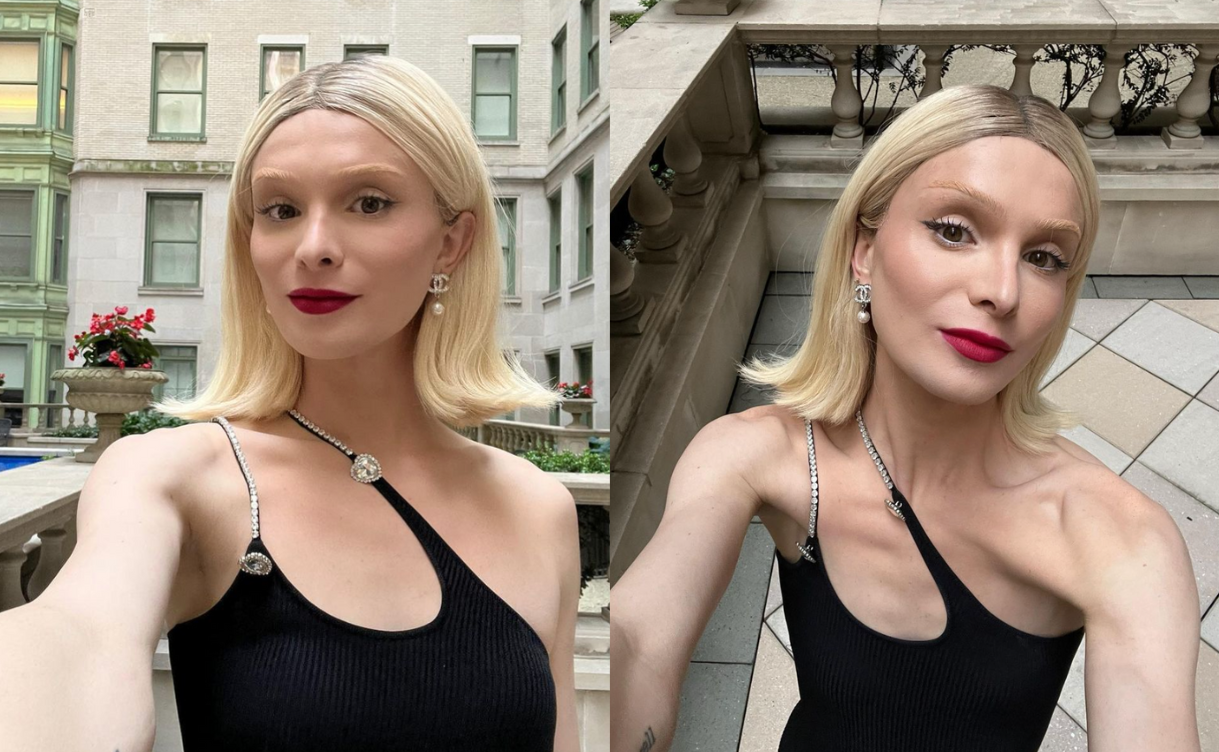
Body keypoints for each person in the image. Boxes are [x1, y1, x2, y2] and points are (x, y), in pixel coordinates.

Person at [0, 55, 581, 752]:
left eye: (369, 202)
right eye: (280, 210)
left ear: (451, 241)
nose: (313, 248)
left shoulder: (536, 507)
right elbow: (76, 633)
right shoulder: (173, 475)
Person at [611, 84, 1201, 752]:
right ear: (863, 249)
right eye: (954, 231)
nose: (1001, 291)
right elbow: (634, 639)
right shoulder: (756, 456)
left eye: (1043, 257)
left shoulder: (1119, 538)